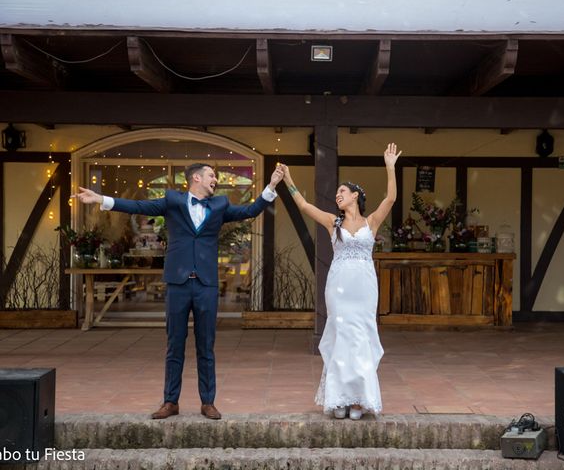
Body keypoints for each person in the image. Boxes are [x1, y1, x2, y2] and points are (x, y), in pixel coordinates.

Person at [72, 163, 284, 420]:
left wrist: (271, 185)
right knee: (174, 344)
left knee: (206, 345)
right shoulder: (173, 201)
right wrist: (101, 199)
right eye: (211, 175)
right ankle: (170, 401)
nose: (215, 179)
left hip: (206, 284)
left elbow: (250, 210)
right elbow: (139, 207)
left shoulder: (219, 206)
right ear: (196, 178)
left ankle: (208, 402)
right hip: (178, 284)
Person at [280, 143, 401, 419]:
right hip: (339, 287)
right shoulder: (332, 223)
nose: (337, 196)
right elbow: (303, 205)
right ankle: (340, 399)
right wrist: (289, 180)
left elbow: (391, 198)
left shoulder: (371, 222)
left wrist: (390, 167)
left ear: (355, 196)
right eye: (336, 194)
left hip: (364, 288)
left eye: (342, 192)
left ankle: (358, 399)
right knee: (341, 337)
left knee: (361, 338)